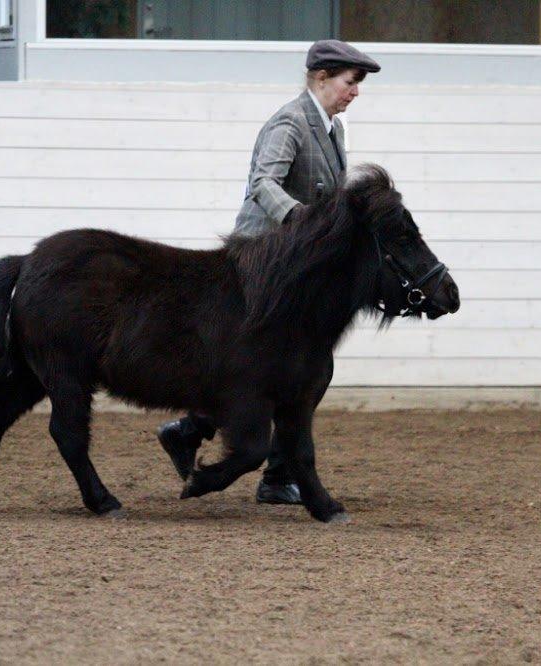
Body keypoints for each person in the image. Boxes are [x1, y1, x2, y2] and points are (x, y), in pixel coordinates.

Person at [158, 39, 381, 504]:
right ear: (321, 77)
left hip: (292, 270)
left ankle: (202, 436)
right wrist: (299, 221)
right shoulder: (290, 123)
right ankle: (272, 473)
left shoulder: (332, 130)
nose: (355, 92)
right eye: (350, 81)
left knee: (297, 370)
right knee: (291, 370)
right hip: (259, 263)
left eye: (357, 84)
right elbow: (264, 183)